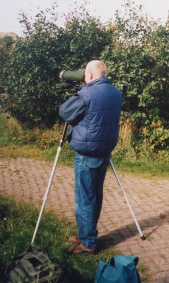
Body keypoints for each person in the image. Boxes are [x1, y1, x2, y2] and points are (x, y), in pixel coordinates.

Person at [59, 60, 122, 255]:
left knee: (84, 198)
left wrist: (77, 94)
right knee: (95, 194)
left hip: (87, 153)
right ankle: (86, 233)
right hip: (104, 151)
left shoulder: (86, 93)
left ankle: (88, 243)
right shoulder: (116, 93)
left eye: (85, 75)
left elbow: (64, 113)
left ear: (91, 75)